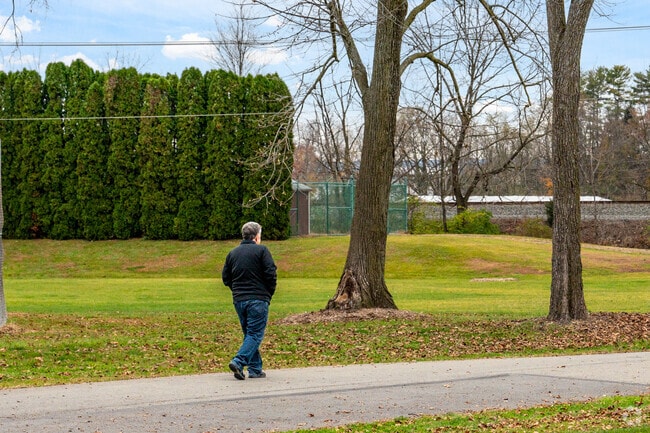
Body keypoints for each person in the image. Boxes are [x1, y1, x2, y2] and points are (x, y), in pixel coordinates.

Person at [222, 221, 277, 380]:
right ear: (257, 236)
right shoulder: (262, 251)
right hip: (258, 299)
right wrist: (268, 293)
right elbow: (270, 273)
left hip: (239, 300)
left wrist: (237, 290)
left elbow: (226, 278)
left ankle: (255, 368)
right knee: (255, 333)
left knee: (249, 333)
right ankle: (239, 361)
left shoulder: (232, 253)